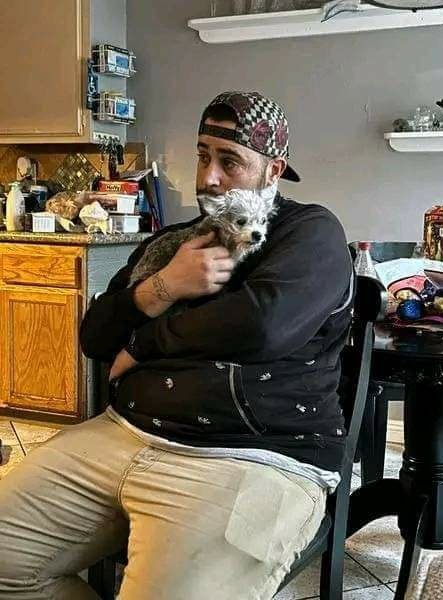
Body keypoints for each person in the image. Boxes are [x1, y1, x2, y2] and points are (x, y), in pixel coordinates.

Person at [0, 91, 353, 600]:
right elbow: (95, 337)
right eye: (203, 156)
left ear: (273, 170)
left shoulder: (310, 232)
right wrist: (164, 286)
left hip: (253, 458)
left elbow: (261, 327)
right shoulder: (172, 244)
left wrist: (145, 344)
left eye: (230, 161)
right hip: (123, 436)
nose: (209, 177)